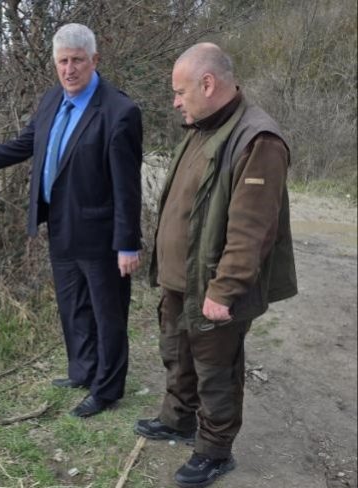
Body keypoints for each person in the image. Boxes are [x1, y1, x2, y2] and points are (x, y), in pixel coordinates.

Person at [0, 23, 143, 418]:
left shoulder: (119, 112)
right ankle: (83, 371)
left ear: (95, 60)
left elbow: (127, 187)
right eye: (62, 61)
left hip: (100, 235)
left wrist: (127, 244)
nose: (69, 69)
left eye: (77, 60)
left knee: (108, 313)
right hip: (59, 226)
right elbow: (23, 145)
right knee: (73, 307)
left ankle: (107, 389)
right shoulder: (52, 100)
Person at [134, 42, 297, 487]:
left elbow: (253, 230)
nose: (175, 102)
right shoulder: (202, 126)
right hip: (181, 278)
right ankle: (177, 419)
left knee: (216, 370)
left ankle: (214, 451)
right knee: (177, 354)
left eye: (180, 91)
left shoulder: (257, 139)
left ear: (207, 84)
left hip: (212, 285)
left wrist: (225, 290)